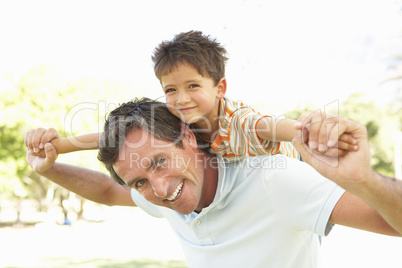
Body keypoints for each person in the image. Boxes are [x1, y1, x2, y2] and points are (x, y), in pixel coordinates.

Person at [25, 98, 401, 268]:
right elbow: (108, 191)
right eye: (138, 181)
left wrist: (364, 180)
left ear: (188, 139)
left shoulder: (273, 178)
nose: (158, 189)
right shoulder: (160, 193)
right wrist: (49, 168)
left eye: (159, 161)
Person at [152, 30, 357, 161]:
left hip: (299, 176)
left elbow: (269, 126)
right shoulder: (182, 126)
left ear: (220, 88)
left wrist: (314, 132)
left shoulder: (238, 122)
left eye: (193, 86)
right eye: (171, 90)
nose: (181, 99)